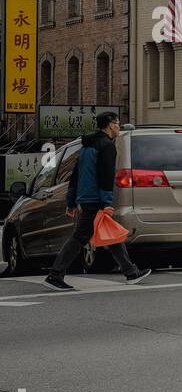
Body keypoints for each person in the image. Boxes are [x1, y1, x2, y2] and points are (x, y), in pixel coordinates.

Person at [43, 111, 151, 291]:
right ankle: (55, 275)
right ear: (109, 125)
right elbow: (106, 176)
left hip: (87, 198)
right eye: (117, 123)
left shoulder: (86, 145)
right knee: (79, 237)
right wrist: (107, 203)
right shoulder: (107, 146)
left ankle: (130, 271)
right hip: (96, 199)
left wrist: (71, 201)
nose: (119, 126)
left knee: (111, 233)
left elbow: (76, 174)